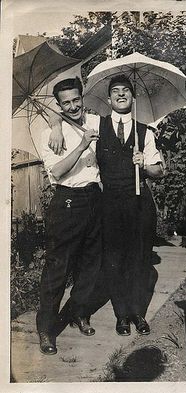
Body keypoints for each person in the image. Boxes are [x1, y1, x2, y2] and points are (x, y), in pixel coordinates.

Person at [49, 74, 164, 337]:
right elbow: (63, 113)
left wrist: (143, 164)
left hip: (139, 205)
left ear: (132, 98)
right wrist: (55, 125)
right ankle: (122, 315)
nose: (121, 94)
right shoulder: (95, 124)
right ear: (109, 98)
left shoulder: (143, 130)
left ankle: (138, 313)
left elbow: (159, 171)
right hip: (109, 205)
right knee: (114, 261)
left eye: (126, 90)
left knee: (140, 259)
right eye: (115, 91)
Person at [37, 77, 102, 355]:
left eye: (77, 99)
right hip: (67, 202)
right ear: (59, 105)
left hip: (95, 199)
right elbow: (59, 172)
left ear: (82, 97)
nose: (73, 106)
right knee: (58, 269)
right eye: (67, 103)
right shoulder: (50, 133)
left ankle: (78, 312)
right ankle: (47, 329)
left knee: (90, 264)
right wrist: (79, 144)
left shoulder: (95, 122)